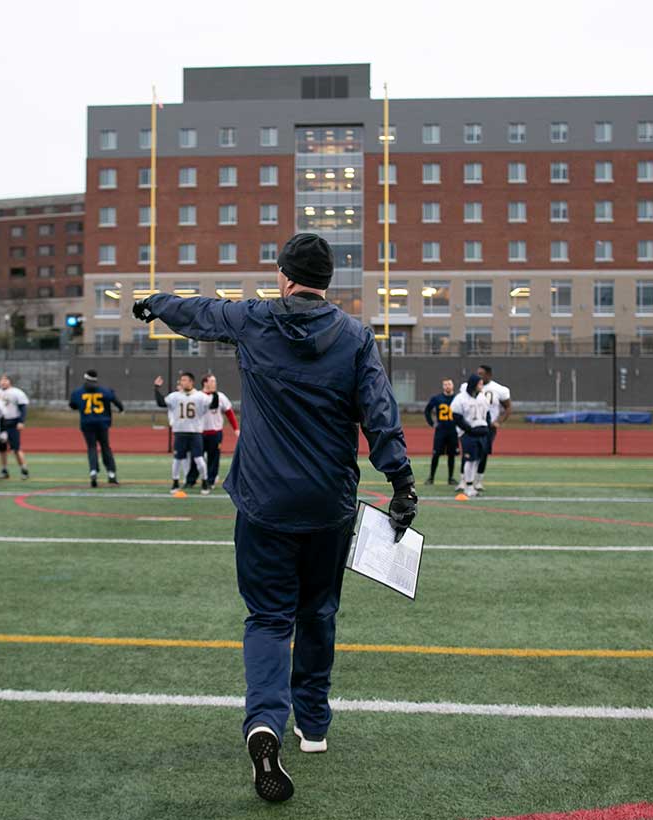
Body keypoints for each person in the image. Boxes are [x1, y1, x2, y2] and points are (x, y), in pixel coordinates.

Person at [131, 232, 415, 803]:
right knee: (319, 613)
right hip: (327, 504)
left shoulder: (255, 320)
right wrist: (402, 481)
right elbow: (378, 412)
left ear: (284, 276)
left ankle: (265, 722)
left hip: (262, 502)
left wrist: (153, 303)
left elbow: (199, 313)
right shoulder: (356, 336)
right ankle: (313, 725)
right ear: (328, 281)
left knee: (267, 618)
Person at [154, 372, 210, 496]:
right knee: (177, 460)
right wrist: (156, 388)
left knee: (199, 459)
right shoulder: (175, 396)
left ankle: (205, 482)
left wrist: (213, 391)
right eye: (181, 380)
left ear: (191, 382)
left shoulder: (200, 396)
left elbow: (213, 405)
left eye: (184, 380)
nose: (181, 382)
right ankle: (175, 482)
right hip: (180, 432)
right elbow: (161, 403)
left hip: (195, 432)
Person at [68, 369, 123, 487]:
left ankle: (93, 471)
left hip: (87, 423)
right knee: (105, 447)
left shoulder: (78, 392)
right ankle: (111, 473)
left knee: (92, 447)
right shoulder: (105, 391)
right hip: (102, 423)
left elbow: (72, 405)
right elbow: (117, 402)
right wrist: (121, 409)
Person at [187, 373, 238, 488]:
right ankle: (191, 480)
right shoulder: (197, 396)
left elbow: (229, 413)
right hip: (199, 432)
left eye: (215, 381)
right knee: (196, 457)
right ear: (205, 382)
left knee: (213, 458)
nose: (215, 383)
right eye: (212, 381)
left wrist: (236, 428)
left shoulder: (220, 396)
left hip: (215, 433)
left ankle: (210, 480)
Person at [450, 374, 491, 499]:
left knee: (478, 460)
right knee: (470, 459)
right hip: (468, 434)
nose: (481, 386)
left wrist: (486, 427)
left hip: (481, 433)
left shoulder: (482, 398)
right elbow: (456, 417)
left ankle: (471, 485)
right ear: (473, 384)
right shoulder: (460, 398)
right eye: (479, 384)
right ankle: (468, 487)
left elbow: (487, 414)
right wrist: (469, 429)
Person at [474, 364, 511, 492]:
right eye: (477, 373)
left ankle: (478, 480)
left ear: (488, 375)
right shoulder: (470, 387)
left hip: (488, 427)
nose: (478, 376)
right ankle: (466, 480)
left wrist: (499, 422)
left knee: (483, 452)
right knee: (472, 452)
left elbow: (508, 408)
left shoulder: (499, 389)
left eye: (481, 374)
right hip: (473, 425)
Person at [0, 375, 30, 480]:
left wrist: (21, 421)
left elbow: (23, 408)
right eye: (1, 380)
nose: (3, 382)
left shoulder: (17, 393)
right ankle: (4, 470)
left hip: (12, 422)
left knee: (16, 448)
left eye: (5, 380)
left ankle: (24, 469)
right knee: (2, 449)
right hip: (0, 424)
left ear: (10, 381)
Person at [423, 378, 458, 486]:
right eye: (445, 384)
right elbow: (427, 410)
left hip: (453, 431)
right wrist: (431, 423)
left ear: (453, 385)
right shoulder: (437, 398)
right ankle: (431, 477)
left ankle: (450, 478)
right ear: (443, 386)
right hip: (441, 431)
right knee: (436, 454)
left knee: (451, 455)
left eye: (449, 384)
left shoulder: (458, 398)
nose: (447, 386)